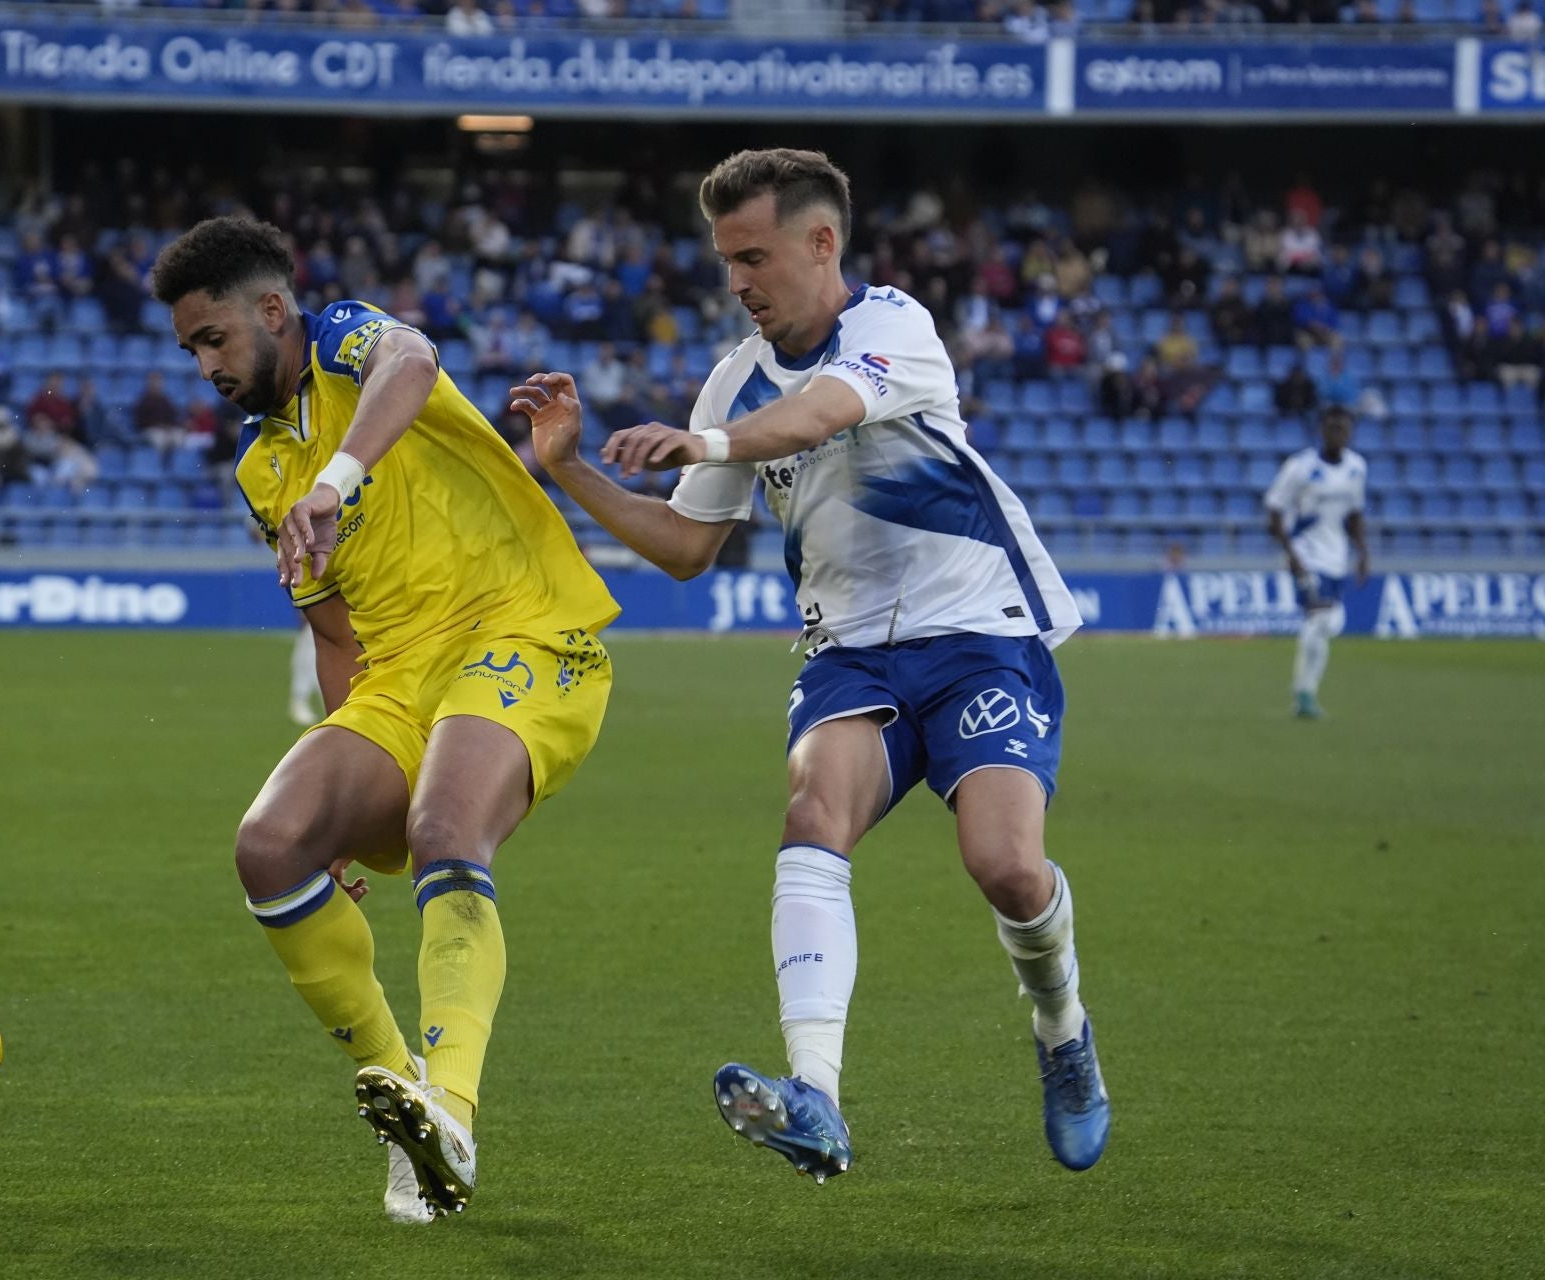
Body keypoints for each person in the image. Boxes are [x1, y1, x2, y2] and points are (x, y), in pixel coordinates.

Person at [515, 148, 1108, 1181]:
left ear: (820, 242)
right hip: (849, 655)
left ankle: (1062, 1028)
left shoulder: (894, 328)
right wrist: (567, 468)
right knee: (812, 814)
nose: (737, 282)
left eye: (754, 256)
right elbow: (689, 549)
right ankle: (818, 1096)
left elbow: (827, 410)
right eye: (725, 261)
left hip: (977, 636)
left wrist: (707, 447)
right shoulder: (732, 382)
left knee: (1007, 865)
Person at [152, 216, 620, 1222]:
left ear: (271, 310)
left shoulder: (347, 343)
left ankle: (450, 1107)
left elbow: (415, 358)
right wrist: (344, 774)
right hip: (400, 679)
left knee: (447, 830)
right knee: (272, 845)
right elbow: (332, 634)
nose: (202, 364)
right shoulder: (258, 471)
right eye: (189, 347)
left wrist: (335, 481)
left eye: (213, 338)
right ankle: (401, 1091)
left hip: (525, 631)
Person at [1264, 406, 1368, 720]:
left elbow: (1354, 514)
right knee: (1321, 619)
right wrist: (1291, 554)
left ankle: (1304, 694)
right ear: (1321, 429)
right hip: (1307, 555)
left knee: (1326, 624)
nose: (1338, 432)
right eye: (1332, 427)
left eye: (1343, 427)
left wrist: (1363, 552)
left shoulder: (1356, 468)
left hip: (1337, 558)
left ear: (1350, 432)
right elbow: (1274, 512)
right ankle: (1306, 695)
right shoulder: (1300, 467)